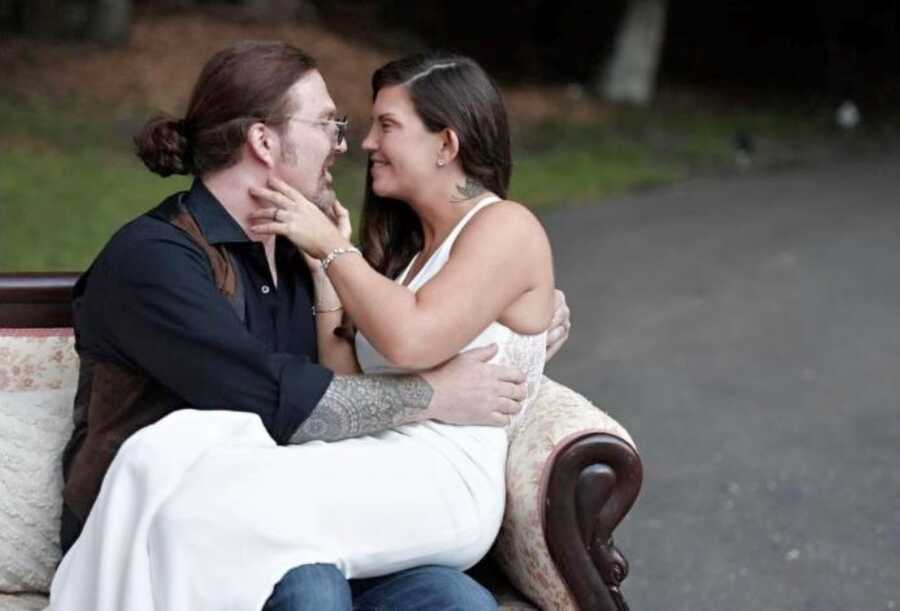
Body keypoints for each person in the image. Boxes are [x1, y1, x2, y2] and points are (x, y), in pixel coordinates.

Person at [50, 41, 570, 611]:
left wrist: (517, 314)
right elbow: (279, 400)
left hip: (305, 508)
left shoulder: (305, 255)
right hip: (159, 533)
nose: (349, 144)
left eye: (372, 126)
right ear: (264, 141)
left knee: (454, 600)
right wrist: (433, 394)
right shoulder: (155, 260)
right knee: (310, 585)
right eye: (329, 123)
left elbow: (403, 328)